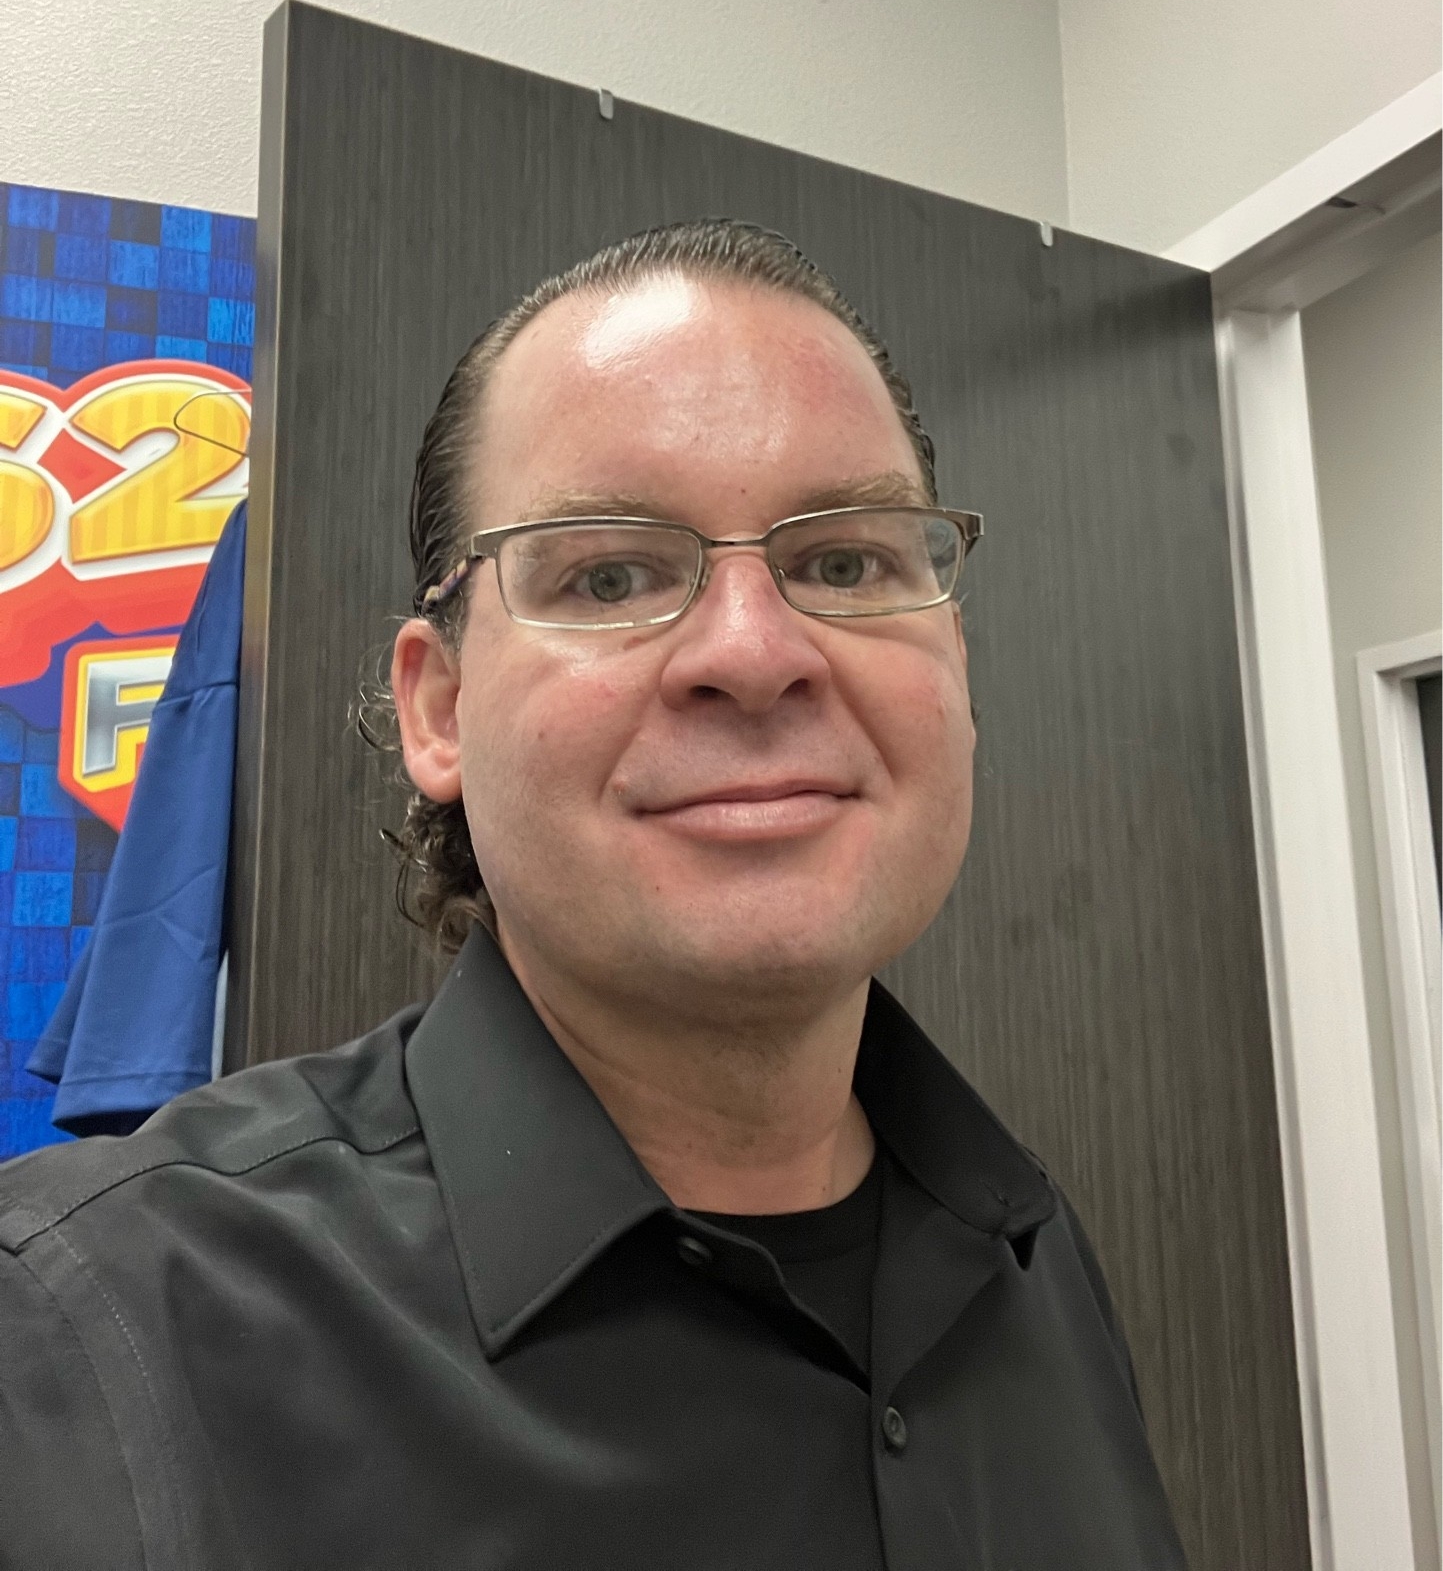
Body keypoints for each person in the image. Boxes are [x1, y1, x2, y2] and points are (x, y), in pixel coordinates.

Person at [0, 221, 1185, 1568]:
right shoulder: (90, 1341)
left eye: (845, 563)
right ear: (438, 710)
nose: (757, 653)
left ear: (954, 663)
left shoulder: (1032, 1256)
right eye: (610, 574)